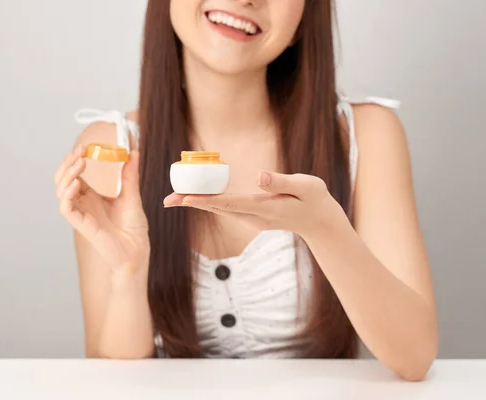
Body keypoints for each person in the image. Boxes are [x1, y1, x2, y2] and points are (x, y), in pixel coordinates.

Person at [53, 0, 437, 381]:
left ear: (306, 16)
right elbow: (111, 380)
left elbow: (415, 357)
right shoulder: (112, 150)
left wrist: (326, 230)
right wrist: (128, 271)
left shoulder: (366, 135)